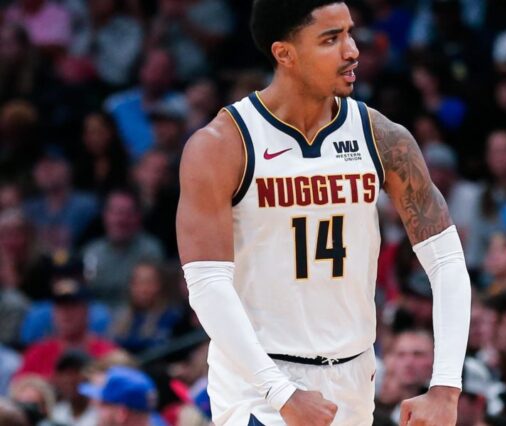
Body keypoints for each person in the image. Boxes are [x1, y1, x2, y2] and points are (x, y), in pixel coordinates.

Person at [176, 1, 471, 425]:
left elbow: (446, 260)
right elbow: (206, 284)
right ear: (285, 54)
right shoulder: (223, 144)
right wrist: (281, 392)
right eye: (330, 39)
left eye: (350, 33)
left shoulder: (383, 137)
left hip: (353, 374)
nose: (351, 50)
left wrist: (445, 386)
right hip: (261, 381)